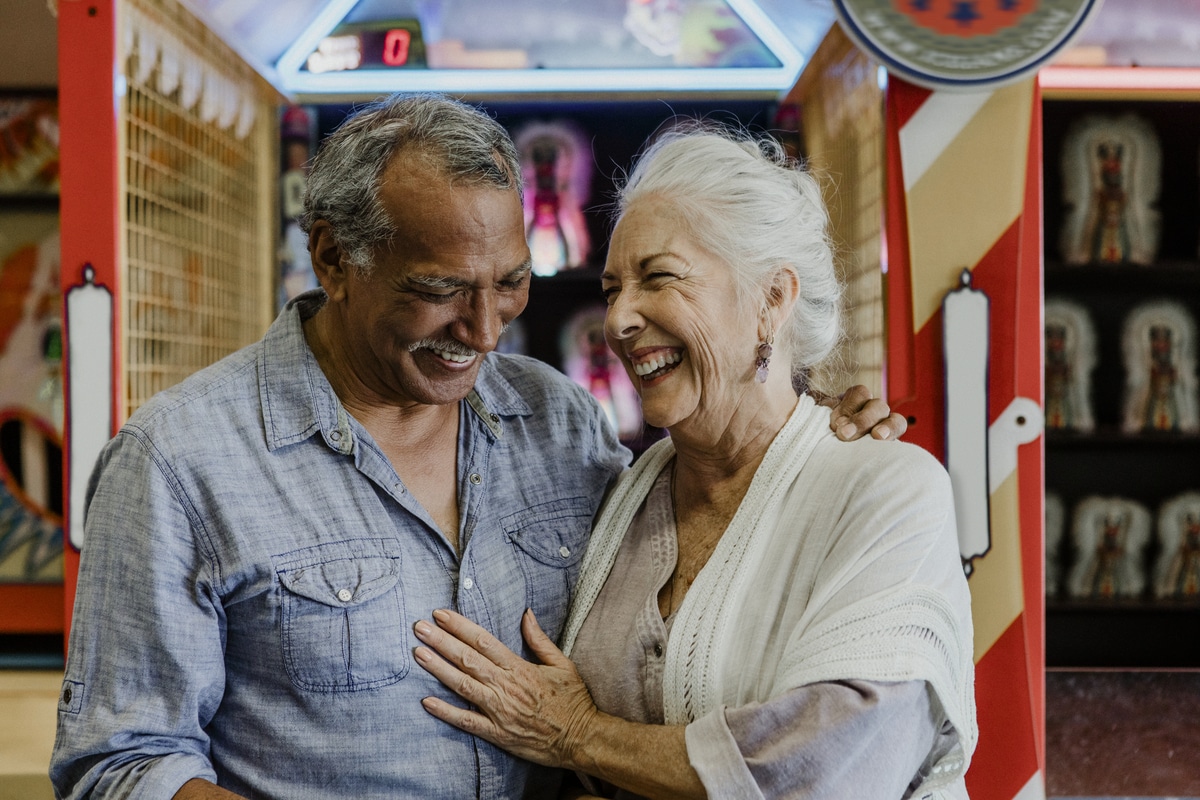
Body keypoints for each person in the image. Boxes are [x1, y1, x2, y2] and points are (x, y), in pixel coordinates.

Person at [50, 94, 903, 800]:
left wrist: (810, 429)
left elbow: (708, 522)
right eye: (439, 291)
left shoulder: (560, 423)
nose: (486, 330)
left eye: (510, 284)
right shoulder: (178, 462)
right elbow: (119, 762)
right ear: (333, 259)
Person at [412, 125, 977, 799]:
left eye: (659, 278)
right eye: (614, 286)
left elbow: (828, 770)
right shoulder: (620, 494)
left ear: (772, 299)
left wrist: (578, 734)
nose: (619, 319)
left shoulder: (888, 489)